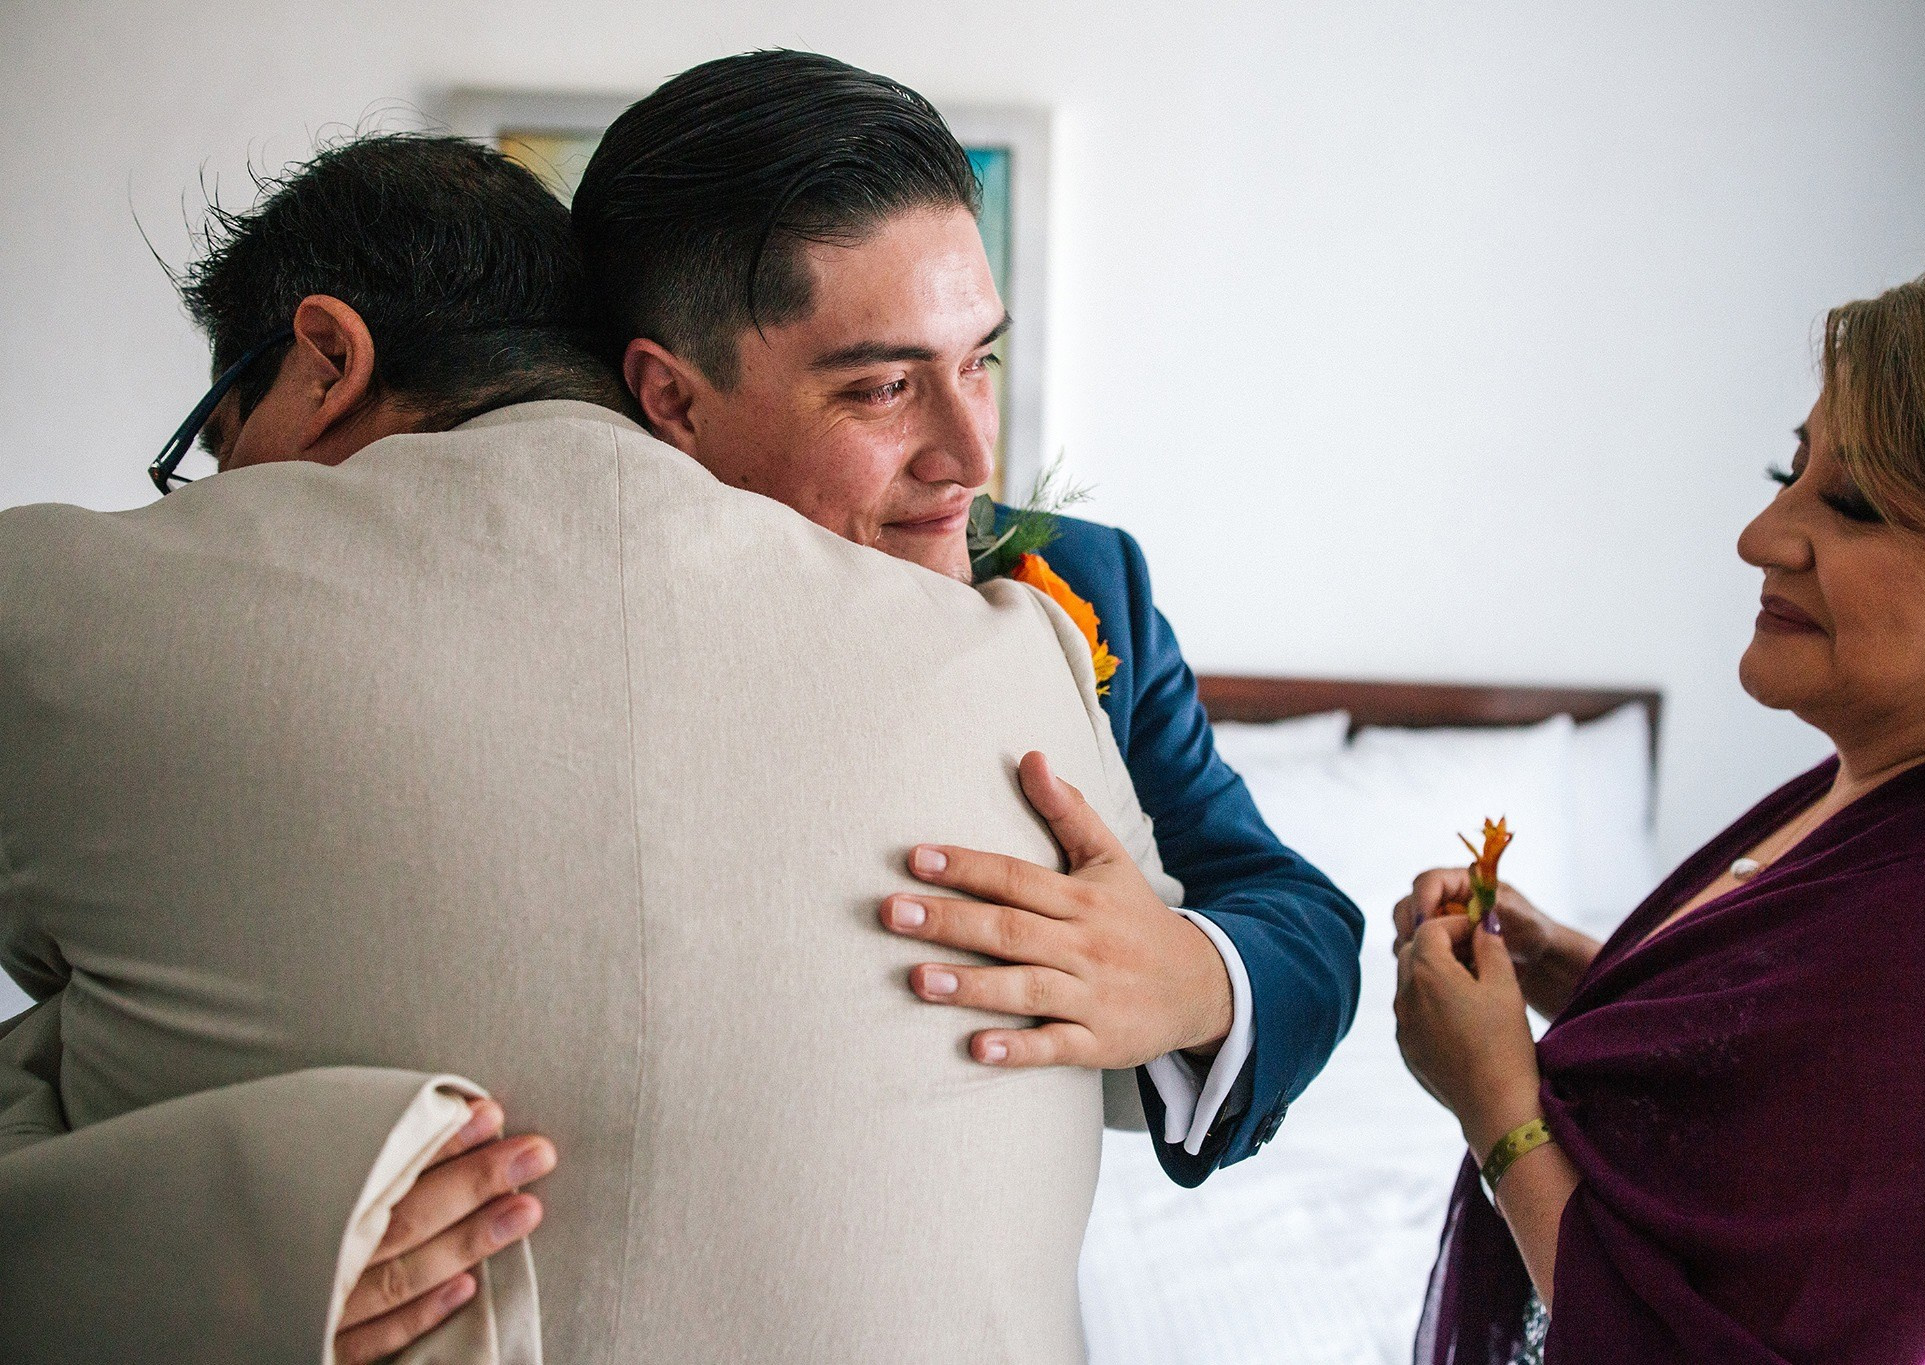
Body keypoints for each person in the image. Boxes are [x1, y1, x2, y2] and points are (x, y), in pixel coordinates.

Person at [0, 132, 1175, 1364]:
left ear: (326, 359)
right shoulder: (1018, 652)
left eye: (217, 434)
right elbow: (1123, 1053)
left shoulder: (60, 603)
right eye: (882, 383)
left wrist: (129, 1164)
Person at [571, 50, 1366, 1183]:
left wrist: (1187, 977)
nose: (970, 456)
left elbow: (1300, 918)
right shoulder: (567, 622)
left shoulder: (1085, 586)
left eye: (978, 360)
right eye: (883, 387)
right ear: (671, 400)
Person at [1391, 248, 1925, 1362]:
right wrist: (1578, 973)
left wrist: (1495, 1106)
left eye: (1851, 505)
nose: (1760, 539)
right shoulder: (1888, 783)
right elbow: (1800, 1083)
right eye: (1784, 473)